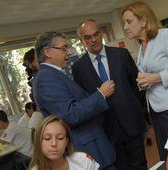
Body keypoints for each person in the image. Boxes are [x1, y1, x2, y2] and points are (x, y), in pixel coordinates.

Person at [32, 31, 115, 169]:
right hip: (87, 147)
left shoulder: (55, 74)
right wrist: (100, 95)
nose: (69, 52)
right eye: (64, 48)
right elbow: (69, 114)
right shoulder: (46, 78)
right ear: (48, 52)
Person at [72, 19, 147, 169]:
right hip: (107, 132)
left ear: (101, 34)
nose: (94, 39)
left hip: (132, 125)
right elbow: (85, 100)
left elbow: (136, 87)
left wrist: (139, 116)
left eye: (96, 34)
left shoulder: (121, 55)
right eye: (88, 37)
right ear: (81, 40)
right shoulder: (78, 68)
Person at [122, 1, 168, 161]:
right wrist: (143, 81)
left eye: (129, 21)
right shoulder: (141, 46)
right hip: (155, 110)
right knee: (166, 156)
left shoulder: (166, 35)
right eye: (124, 22)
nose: (125, 27)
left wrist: (157, 77)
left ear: (144, 20)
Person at [30, 115, 100, 170]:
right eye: (47, 138)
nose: (54, 144)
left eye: (60, 138)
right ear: (38, 141)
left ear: (66, 141)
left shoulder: (82, 160)